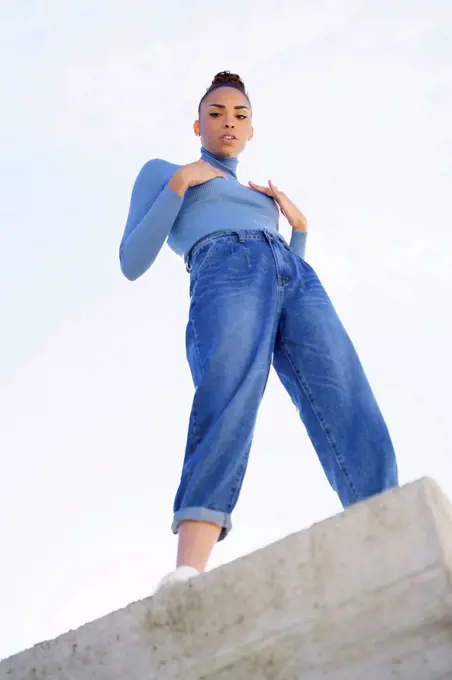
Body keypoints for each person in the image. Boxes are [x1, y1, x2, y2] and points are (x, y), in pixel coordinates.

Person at [119, 71, 399, 590]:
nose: (228, 122)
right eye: (217, 113)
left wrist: (301, 233)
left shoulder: (258, 193)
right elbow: (131, 260)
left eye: (240, 116)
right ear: (197, 124)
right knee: (228, 391)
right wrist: (181, 183)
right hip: (223, 266)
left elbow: (282, 297)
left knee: (343, 390)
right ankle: (187, 571)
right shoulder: (166, 172)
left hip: (292, 273)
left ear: (251, 130)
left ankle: (389, 531)